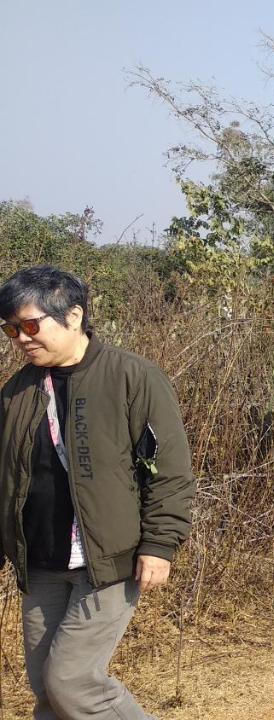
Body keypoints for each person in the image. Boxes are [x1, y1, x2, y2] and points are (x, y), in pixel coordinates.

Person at [0, 266, 194, 720]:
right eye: (11, 329)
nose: (21, 338)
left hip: (107, 560)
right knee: (47, 688)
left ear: (73, 316)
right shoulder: (16, 391)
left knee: (73, 682)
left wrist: (159, 545)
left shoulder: (133, 376)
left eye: (31, 325)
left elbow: (170, 469)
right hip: (41, 562)